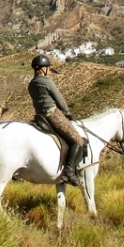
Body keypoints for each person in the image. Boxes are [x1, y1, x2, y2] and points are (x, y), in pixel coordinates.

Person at [27, 54, 86, 186]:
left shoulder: (31, 84)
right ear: (43, 69)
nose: (49, 70)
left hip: (39, 116)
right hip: (53, 114)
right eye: (48, 67)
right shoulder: (46, 81)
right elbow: (59, 99)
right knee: (78, 141)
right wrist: (68, 113)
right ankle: (69, 172)